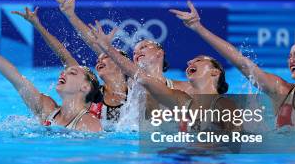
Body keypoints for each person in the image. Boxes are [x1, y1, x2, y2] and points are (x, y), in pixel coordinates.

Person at [170, 1, 295, 131]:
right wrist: (198, 27)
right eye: (289, 56)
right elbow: (242, 63)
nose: (291, 60)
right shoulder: (280, 91)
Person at [87, 22, 238, 133]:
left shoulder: (227, 106)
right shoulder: (180, 98)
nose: (189, 62)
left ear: (215, 72)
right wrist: (106, 47)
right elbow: (139, 76)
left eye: (198, 60)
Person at [0, 25, 102, 132]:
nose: (63, 74)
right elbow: (16, 79)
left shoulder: (89, 123)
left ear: (85, 87)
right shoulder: (47, 109)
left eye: (72, 73)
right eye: (64, 71)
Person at [11, 4, 127, 123]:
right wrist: (38, 25)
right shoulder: (90, 93)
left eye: (107, 57)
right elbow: (64, 55)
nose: (99, 60)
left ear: (123, 65)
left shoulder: (137, 93)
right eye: (98, 60)